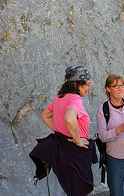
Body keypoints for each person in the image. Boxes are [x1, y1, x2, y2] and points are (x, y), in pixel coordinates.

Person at [29, 65, 98, 196]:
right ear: (77, 84)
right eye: (87, 85)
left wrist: (61, 132)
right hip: (75, 153)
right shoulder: (74, 99)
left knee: (61, 186)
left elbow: (45, 115)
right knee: (77, 188)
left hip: (62, 148)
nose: (89, 88)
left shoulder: (59, 97)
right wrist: (77, 140)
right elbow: (69, 119)